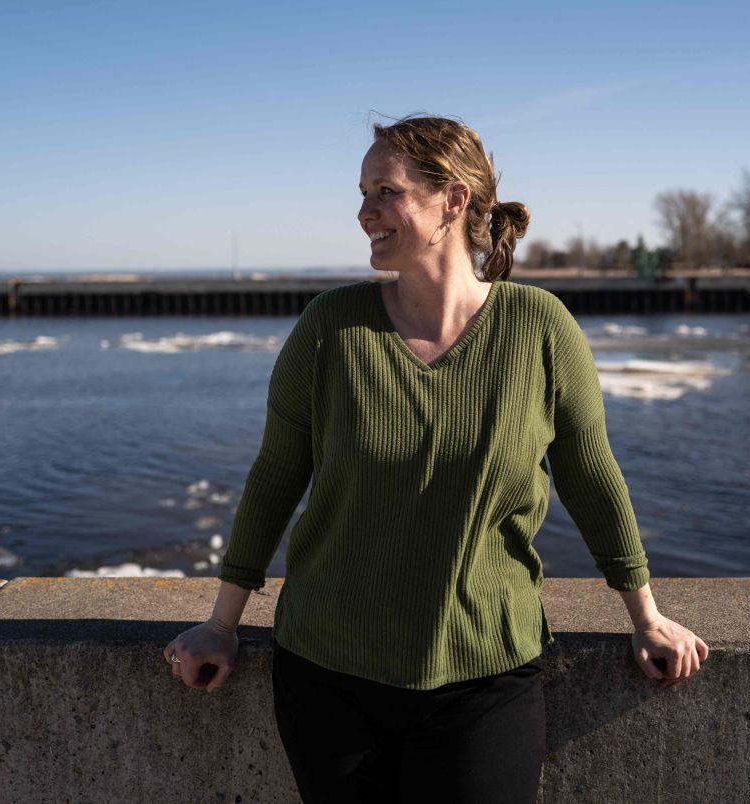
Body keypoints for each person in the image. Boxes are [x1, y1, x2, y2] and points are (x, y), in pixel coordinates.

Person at [163, 114, 709, 803]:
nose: (364, 212)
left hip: (488, 675)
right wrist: (221, 624)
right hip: (328, 674)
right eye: (361, 193)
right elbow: (275, 478)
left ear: (452, 200)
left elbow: (591, 477)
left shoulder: (540, 328)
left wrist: (645, 616)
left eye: (384, 192)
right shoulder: (331, 327)